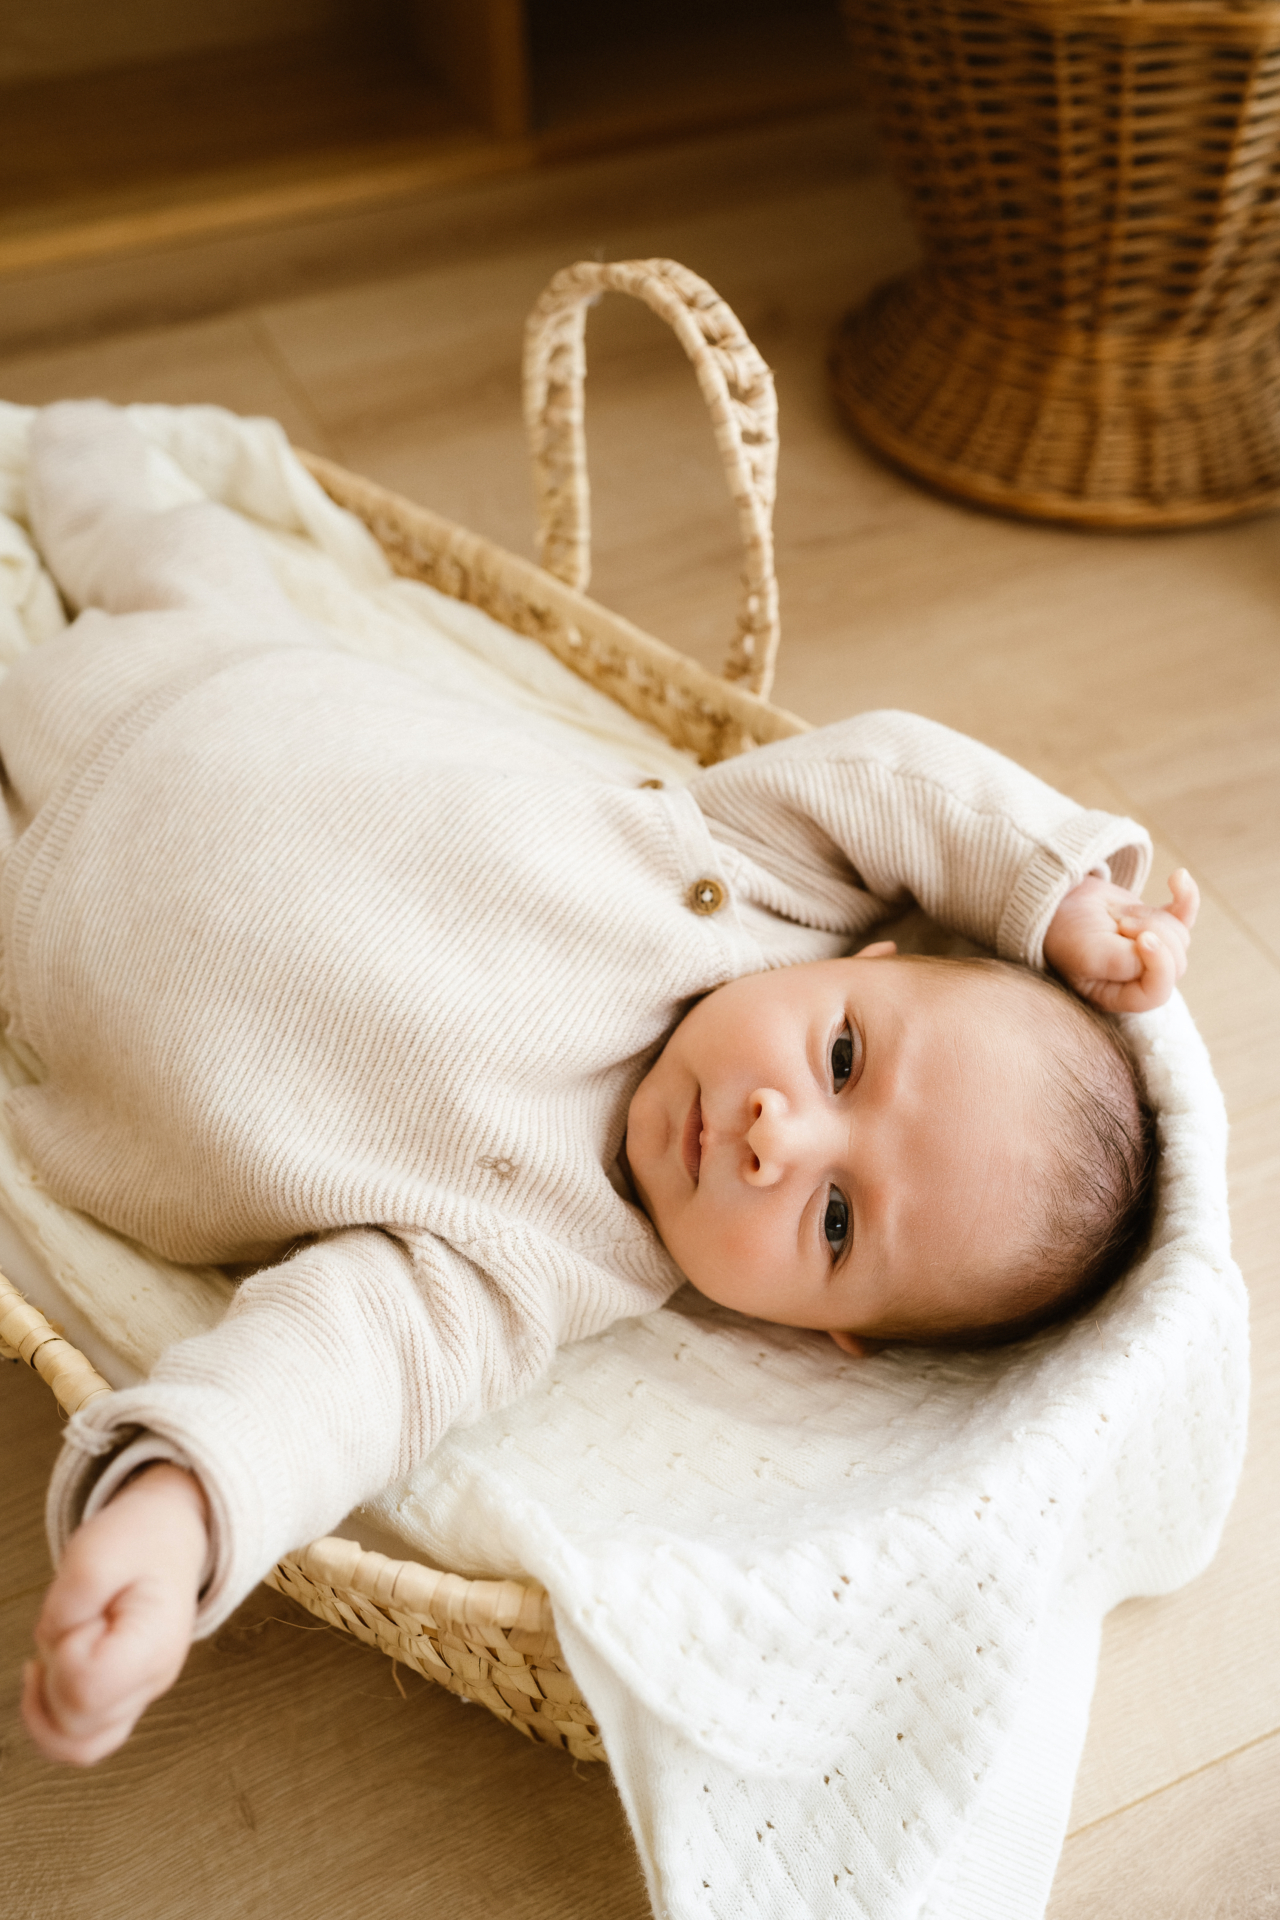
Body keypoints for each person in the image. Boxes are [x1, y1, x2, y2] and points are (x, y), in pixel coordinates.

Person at [8, 403, 1195, 1766]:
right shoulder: (754, 879)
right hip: (225, 651)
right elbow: (899, 780)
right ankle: (58, 441)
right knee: (125, 500)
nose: (776, 1134)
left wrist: (175, 1521)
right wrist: (1056, 893)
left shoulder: (539, 1264)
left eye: (834, 1221)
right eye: (844, 1058)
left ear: (824, 1333)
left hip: (35, 924)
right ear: (866, 956)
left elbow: (334, 1380)